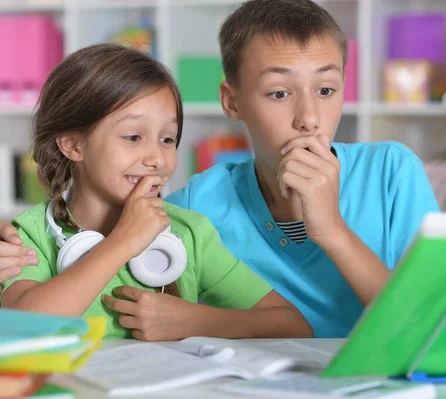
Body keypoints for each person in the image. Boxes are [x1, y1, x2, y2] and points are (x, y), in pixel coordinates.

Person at [0, 0, 439, 338]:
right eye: (279, 94)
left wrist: (331, 229)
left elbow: (431, 325)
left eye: (326, 89)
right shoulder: (195, 206)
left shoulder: (391, 173)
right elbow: (120, 218)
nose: (309, 118)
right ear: (232, 101)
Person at [0, 43, 312, 341]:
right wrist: (123, 241)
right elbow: (27, 329)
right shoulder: (28, 235)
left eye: (167, 139)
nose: (157, 159)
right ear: (73, 145)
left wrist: (199, 321)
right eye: (133, 136)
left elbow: (293, 325)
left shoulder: (190, 234)